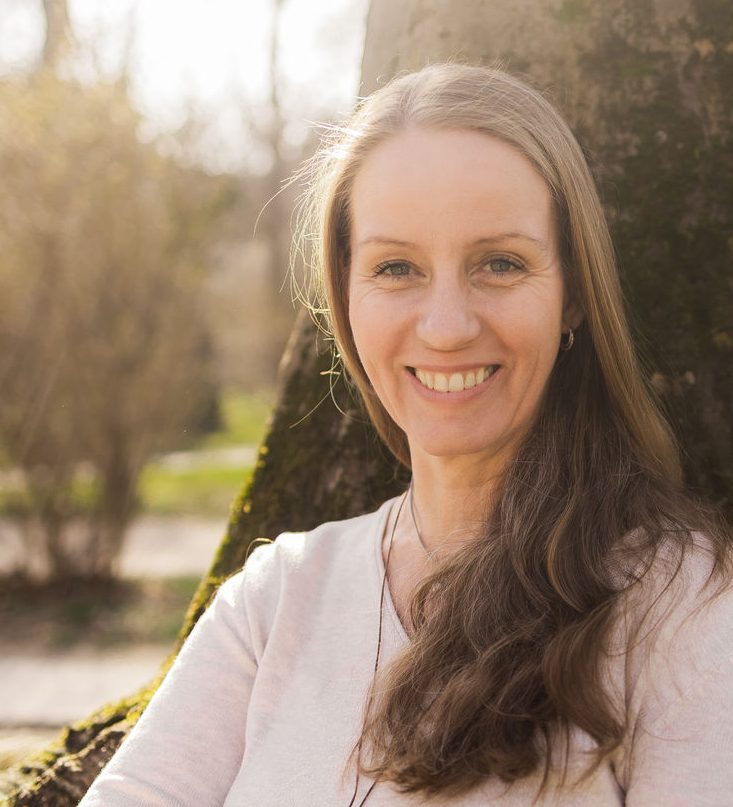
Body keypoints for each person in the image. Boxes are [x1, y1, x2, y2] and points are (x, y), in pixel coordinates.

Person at [79, 63, 732, 806]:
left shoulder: (676, 610)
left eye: (499, 263)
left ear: (572, 296)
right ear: (346, 295)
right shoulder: (275, 601)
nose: (447, 325)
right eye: (396, 267)